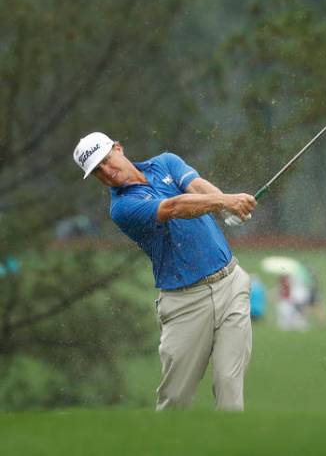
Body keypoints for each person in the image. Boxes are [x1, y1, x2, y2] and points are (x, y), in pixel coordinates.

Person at [73, 131, 257, 411]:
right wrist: (225, 202)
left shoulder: (165, 162)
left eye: (106, 161)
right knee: (176, 399)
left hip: (231, 284)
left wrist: (224, 202)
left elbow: (195, 187)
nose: (107, 172)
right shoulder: (122, 208)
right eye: (97, 171)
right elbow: (174, 207)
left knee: (229, 386)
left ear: (119, 148)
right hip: (185, 302)